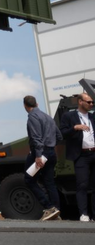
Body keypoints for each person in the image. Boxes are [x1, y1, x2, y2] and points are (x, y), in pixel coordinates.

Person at [23, 94, 63, 221]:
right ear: (37, 104)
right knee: (49, 182)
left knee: (29, 179)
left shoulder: (32, 117)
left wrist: (39, 155)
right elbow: (59, 136)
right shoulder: (48, 117)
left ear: (25, 106)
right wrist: (50, 146)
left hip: (40, 154)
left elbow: (36, 138)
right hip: (51, 153)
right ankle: (56, 211)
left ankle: (49, 207)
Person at [60, 89, 95, 222]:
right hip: (81, 155)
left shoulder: (92, 116)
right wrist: (75, 128)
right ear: (80, 102)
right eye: (89, 102)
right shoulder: (69, 117)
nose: (91, 104)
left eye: (92, 102)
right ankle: (84, 214)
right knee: (82, 185)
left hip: (94, 153)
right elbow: (62, 133)